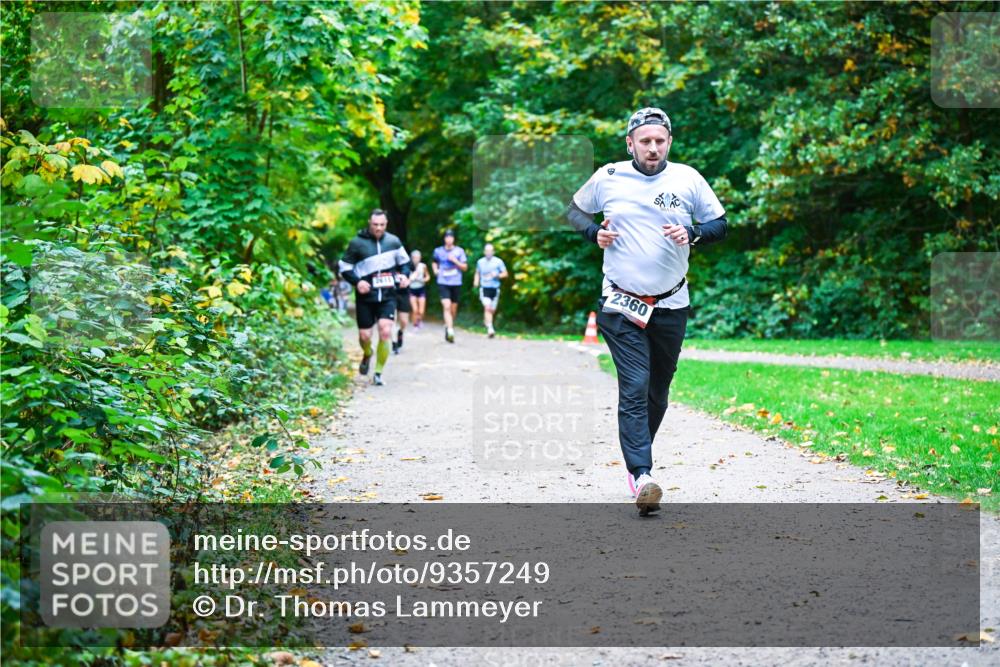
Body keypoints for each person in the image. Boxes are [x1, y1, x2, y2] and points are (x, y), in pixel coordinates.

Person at [566, 107, 729, 515]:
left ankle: (636, 459)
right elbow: (573, 210)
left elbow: (721, 224)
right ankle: (642, 474)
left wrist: (693, 233)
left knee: (658, 391)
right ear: (630, 144)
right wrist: (594, 232)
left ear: (669, 142)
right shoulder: (609, 177)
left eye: (659, 141)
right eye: (645, 141)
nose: (653, 148)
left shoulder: (688, 178)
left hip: (672, 302)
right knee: (635, 383)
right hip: (620, 302)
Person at [338, 209, 411, 386]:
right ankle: (367, 353)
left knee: (385, 331)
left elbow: (405, 263)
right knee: (364, 336)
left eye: (382, 225)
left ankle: (378, 372)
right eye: (375, 224)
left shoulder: (393, 241)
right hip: (366, 297)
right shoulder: (357, 243)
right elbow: (344, 267)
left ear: (386, 224)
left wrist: (404, 276)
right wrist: (358, 282)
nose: (378, 228)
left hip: (388, 295)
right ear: (369, 223)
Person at [431, 230, 468, 343]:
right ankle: (451, 330)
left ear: (453, 239)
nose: (449, 239)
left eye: (451, 237)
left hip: (456, 282)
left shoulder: (459, 251)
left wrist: (455, 261)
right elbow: (434, 262)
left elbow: (465, 267)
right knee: (446, 306)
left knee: (453, 309)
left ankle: (448, 325)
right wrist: (435, 270)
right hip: (443, 281)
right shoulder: (438, 251)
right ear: (444, 239)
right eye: (447, 237)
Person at [473, 243, 508, 338]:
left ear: (493, 252)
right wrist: (476, 282)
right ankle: (490, 329)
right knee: (487, 307)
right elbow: (477, 273)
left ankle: (487, 323)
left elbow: (505, 274)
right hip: (484, 288)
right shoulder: (480, 262)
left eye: (490, 251)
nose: (488, 252)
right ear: (484, 252)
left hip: (495, 288)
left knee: (492, 310)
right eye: (487, 251)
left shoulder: (498, 262)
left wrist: (496, 275)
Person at [408, 249, 430, 329]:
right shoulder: (408, 266)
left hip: (421, 289)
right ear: (412, 258)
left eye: (418, 257)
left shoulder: (423, 266)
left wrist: (423, 280)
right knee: (415, 310)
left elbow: (428, 276)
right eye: (414, 257)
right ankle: (415, 324)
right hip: (412, 290)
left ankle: (419, 320)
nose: (416, 259)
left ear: (420, 258)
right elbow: (406, 278)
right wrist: (411, 278)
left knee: (421, 311)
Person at [393, 272, 410, 354]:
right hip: (391, 294)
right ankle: (394, 343)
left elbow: (415, 272)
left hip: (404, 294)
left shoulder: (406, 261)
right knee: (393, 320)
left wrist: (409, 280)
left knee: (404, 321)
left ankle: (400, 332)